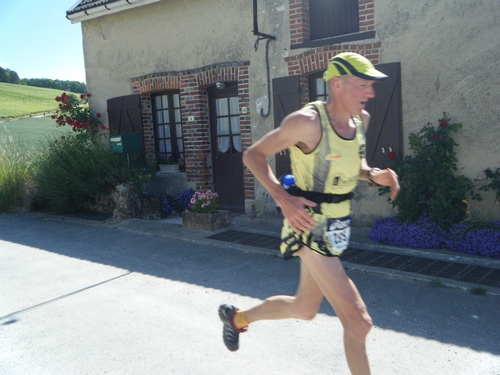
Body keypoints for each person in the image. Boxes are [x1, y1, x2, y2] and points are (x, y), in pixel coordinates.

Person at [218, 52, 400, 375]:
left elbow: (351, 166)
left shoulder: (362, 121)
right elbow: (253, 155)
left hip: (337, 226)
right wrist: (283, 199)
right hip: (309, 225)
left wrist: (374, 174)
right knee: (358, 321)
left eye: (370, 86)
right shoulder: (307, 123)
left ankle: (237, 318)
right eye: (362, 85)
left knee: (304, 308)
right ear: (337, 85)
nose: (370, 93)